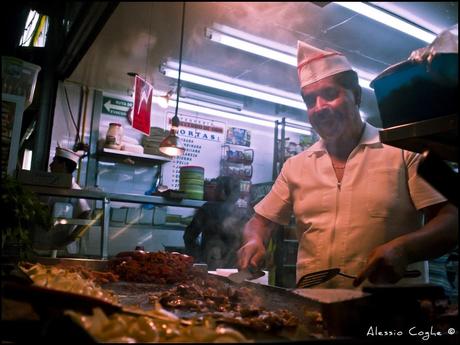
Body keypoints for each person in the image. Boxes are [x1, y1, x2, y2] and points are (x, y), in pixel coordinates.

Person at [237, 40, 458, 289]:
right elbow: (260, 222)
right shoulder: (295, 166)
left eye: (330, 94)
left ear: (357, 96)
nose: (319, 108)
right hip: (313, 310)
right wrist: (254, 241)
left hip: (389, 310)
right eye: (310, 101)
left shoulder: (404, 151)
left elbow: (451, 219)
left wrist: (405, 249)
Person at [183, 176, 251, 270]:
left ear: (220, 191)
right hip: (231, 267)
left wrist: (197, 258)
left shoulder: (208, 208)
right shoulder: (242, 212)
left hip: (211, 264)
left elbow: (189, 236)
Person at [33, 147, 92, 254]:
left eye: (54, 161)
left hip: (60, 250)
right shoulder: (48, 186)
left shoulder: (74, 190)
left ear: (63, 165)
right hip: (38, 246)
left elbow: (86, 215)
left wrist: (70, 239)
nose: (50, 165)